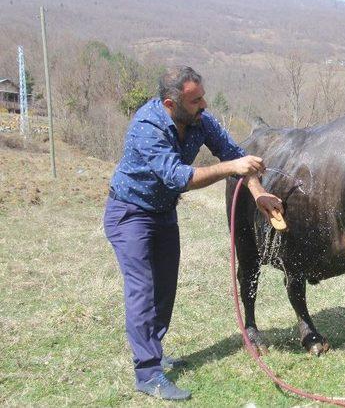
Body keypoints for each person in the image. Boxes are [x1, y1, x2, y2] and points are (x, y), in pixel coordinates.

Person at [103, 66, 282, 400]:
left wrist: (258, 193)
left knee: (164, 288)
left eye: (202, 96)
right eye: (195, 99)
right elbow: (178, 178)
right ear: (172, 104)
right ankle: (147, 372)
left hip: (162, 213)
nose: (204, 103)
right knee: (142, 288)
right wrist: (231, 170)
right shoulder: (148, 126)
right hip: (130, 213)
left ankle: (152, 349)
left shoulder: (201, 120)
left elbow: (233, 154)